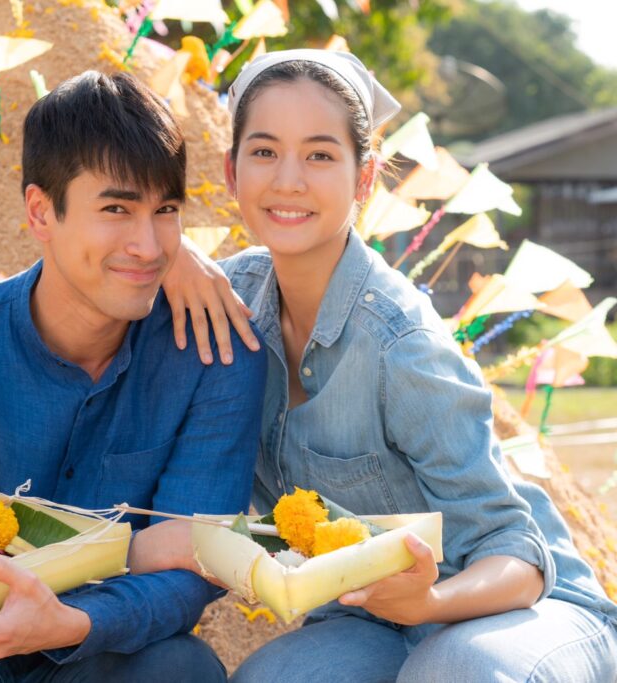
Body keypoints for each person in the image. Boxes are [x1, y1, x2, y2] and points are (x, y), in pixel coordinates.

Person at [135, 49, 617, 681]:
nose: (288, 180)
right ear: (230, 171)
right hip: (372, 620)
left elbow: (518, 557)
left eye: (319, 155)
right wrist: (172, 252)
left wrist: (431, 602)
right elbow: (94, 261)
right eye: (264, 151)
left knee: (454, 672)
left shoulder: (400, 343)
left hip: (519, 611)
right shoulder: (227, 303)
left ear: (365, 178)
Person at [0, 70, 266, 682]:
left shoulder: (215, 354)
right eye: (116, 209)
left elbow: (196, 568)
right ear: (41, 212)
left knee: (179, 669)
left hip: (95, 649)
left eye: (165, 211)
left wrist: (73, 622)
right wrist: (134, 548)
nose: (148, 246)